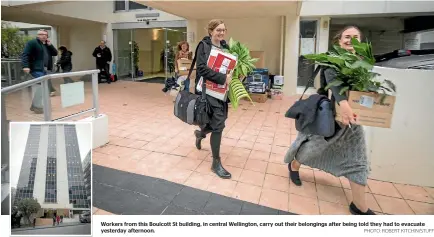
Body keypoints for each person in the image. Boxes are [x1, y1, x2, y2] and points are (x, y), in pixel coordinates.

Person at [285, 25, 375, 215]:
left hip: (352, 123)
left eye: (355, 37)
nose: (351, 41)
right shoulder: (331, 61)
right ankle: (294, 165)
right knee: (312, 148)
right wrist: (343, 103)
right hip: (330, 119)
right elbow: (334, 84)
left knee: (357, 160)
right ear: (339, 41)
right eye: (347, 37)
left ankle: (359, 205)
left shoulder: (362, 63)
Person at [194, 19, 233, 179]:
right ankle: (216, 162)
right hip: (208, 92)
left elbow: (230, 66)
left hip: (221, 92)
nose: (221, 33)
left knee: (217, 121)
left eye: (223, 30)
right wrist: (222, 78)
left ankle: (200, 133)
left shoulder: (225, 46)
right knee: (218, 125)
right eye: (218, 30)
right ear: (210, 31)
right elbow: (202, 69)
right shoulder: (203, 46)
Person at [21, 29, 58, 114]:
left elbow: (55, 53)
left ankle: (38, 106)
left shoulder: (46, 45)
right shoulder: (32, 43)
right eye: (41, 34)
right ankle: (37, 106)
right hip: (36, 69)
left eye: (45, 34)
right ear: (38, 35)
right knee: (42, 86)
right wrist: (25, 66)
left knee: (44, 87)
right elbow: (25, 54)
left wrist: (50, 45)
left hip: (45, 69)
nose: (44, 36)